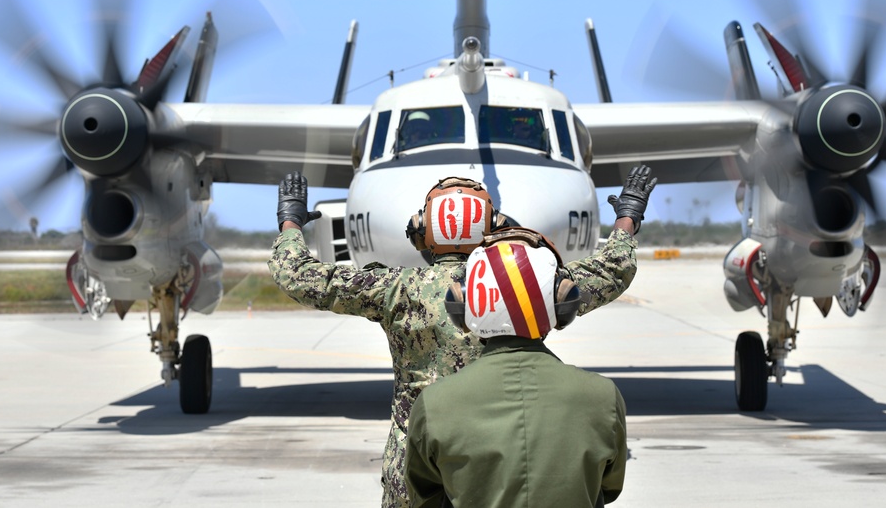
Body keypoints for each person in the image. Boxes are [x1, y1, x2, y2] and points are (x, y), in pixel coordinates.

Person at [268, 166, 656, 508]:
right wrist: (626, 220)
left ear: (422, 230)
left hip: (413, 472)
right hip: (493, 470)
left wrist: (291, 224)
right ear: (493, 227)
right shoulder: (526, 285)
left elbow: (299, 276)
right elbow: (611, 270)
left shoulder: (396, 288)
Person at [404, 227, 627, 507]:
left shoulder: (434, 404)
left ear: (463, 306)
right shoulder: (603, 396)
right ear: (560, 304)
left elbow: (424, 496)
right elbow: (608, 487)